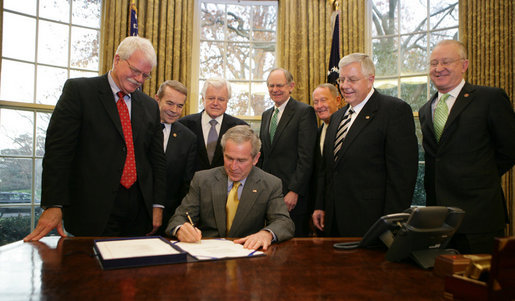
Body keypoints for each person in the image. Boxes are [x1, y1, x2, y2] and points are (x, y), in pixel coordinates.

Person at [23, 36, 166, 241]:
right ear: (117, 60)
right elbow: (58, 152)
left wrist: (157, 205)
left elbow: (157, 159)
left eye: (145, 75)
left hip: (138, 212)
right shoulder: (79, 92)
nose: (139, 80)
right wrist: (54, 204)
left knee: (134, 272)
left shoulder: (150, 106)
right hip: (92, 210)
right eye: (135, 71)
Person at [419, 40, 515, 254]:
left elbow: (509, 150)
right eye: (433, 63)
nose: (438, 68)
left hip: (479, 216)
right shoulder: (426, 109)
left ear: (464, 65)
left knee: (480, 284)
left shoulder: (489, 98)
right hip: (439, 219)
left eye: (446, 62)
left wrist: (480, 175)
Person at [313, 53, 418, 237]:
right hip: (333, 222)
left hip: (372, 223)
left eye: (352, 80)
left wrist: (391, 223)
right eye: (342, 79)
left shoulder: (394, 111)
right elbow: (327, 169)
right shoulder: (337, 117)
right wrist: (320, 205)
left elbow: (402, 176)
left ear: (370, 80)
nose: (344, 86)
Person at [166, 125, 294, 250]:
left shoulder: (270, 184)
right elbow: (179, 218)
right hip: (208, 254)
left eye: (241, 160)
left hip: (247, 253)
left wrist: (267, 234)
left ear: (256, 158)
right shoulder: (202, 180)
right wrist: (180, 229)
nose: (233, 167)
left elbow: (284, 222)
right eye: (229, 158)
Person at [258, 68, 318, 237]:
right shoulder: (266, 115)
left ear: (291, 86)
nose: (275, 90)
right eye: (271, 86)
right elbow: (264, 155)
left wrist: (294, 191)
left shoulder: (304, 112)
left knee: (292, 244)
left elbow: (306, 157)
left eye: (279, 85)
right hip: (267, 193)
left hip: (291, 196)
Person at [154, 80, 197, 235]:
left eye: (179, 106)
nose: (174, 110)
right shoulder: (138, 127)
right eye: (170, 103)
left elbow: (186, 185)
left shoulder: (188, 138)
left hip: (168, 218)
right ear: (157, 99)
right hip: (132, 215)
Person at [178, 77, 247, 172]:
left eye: (221, 99)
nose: (215, 103)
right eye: (211, 98)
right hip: (191, 185)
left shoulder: (240, 127)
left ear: (227, 101)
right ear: (203, 99)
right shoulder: (184, 125)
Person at [310, 83, 341, 234]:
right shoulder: (319, 131)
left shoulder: (345, 129)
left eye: (323, 100)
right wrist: (319, 205)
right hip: (325, 207)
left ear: (338, 100)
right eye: (316, 102)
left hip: (344, 209)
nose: (319, 106)